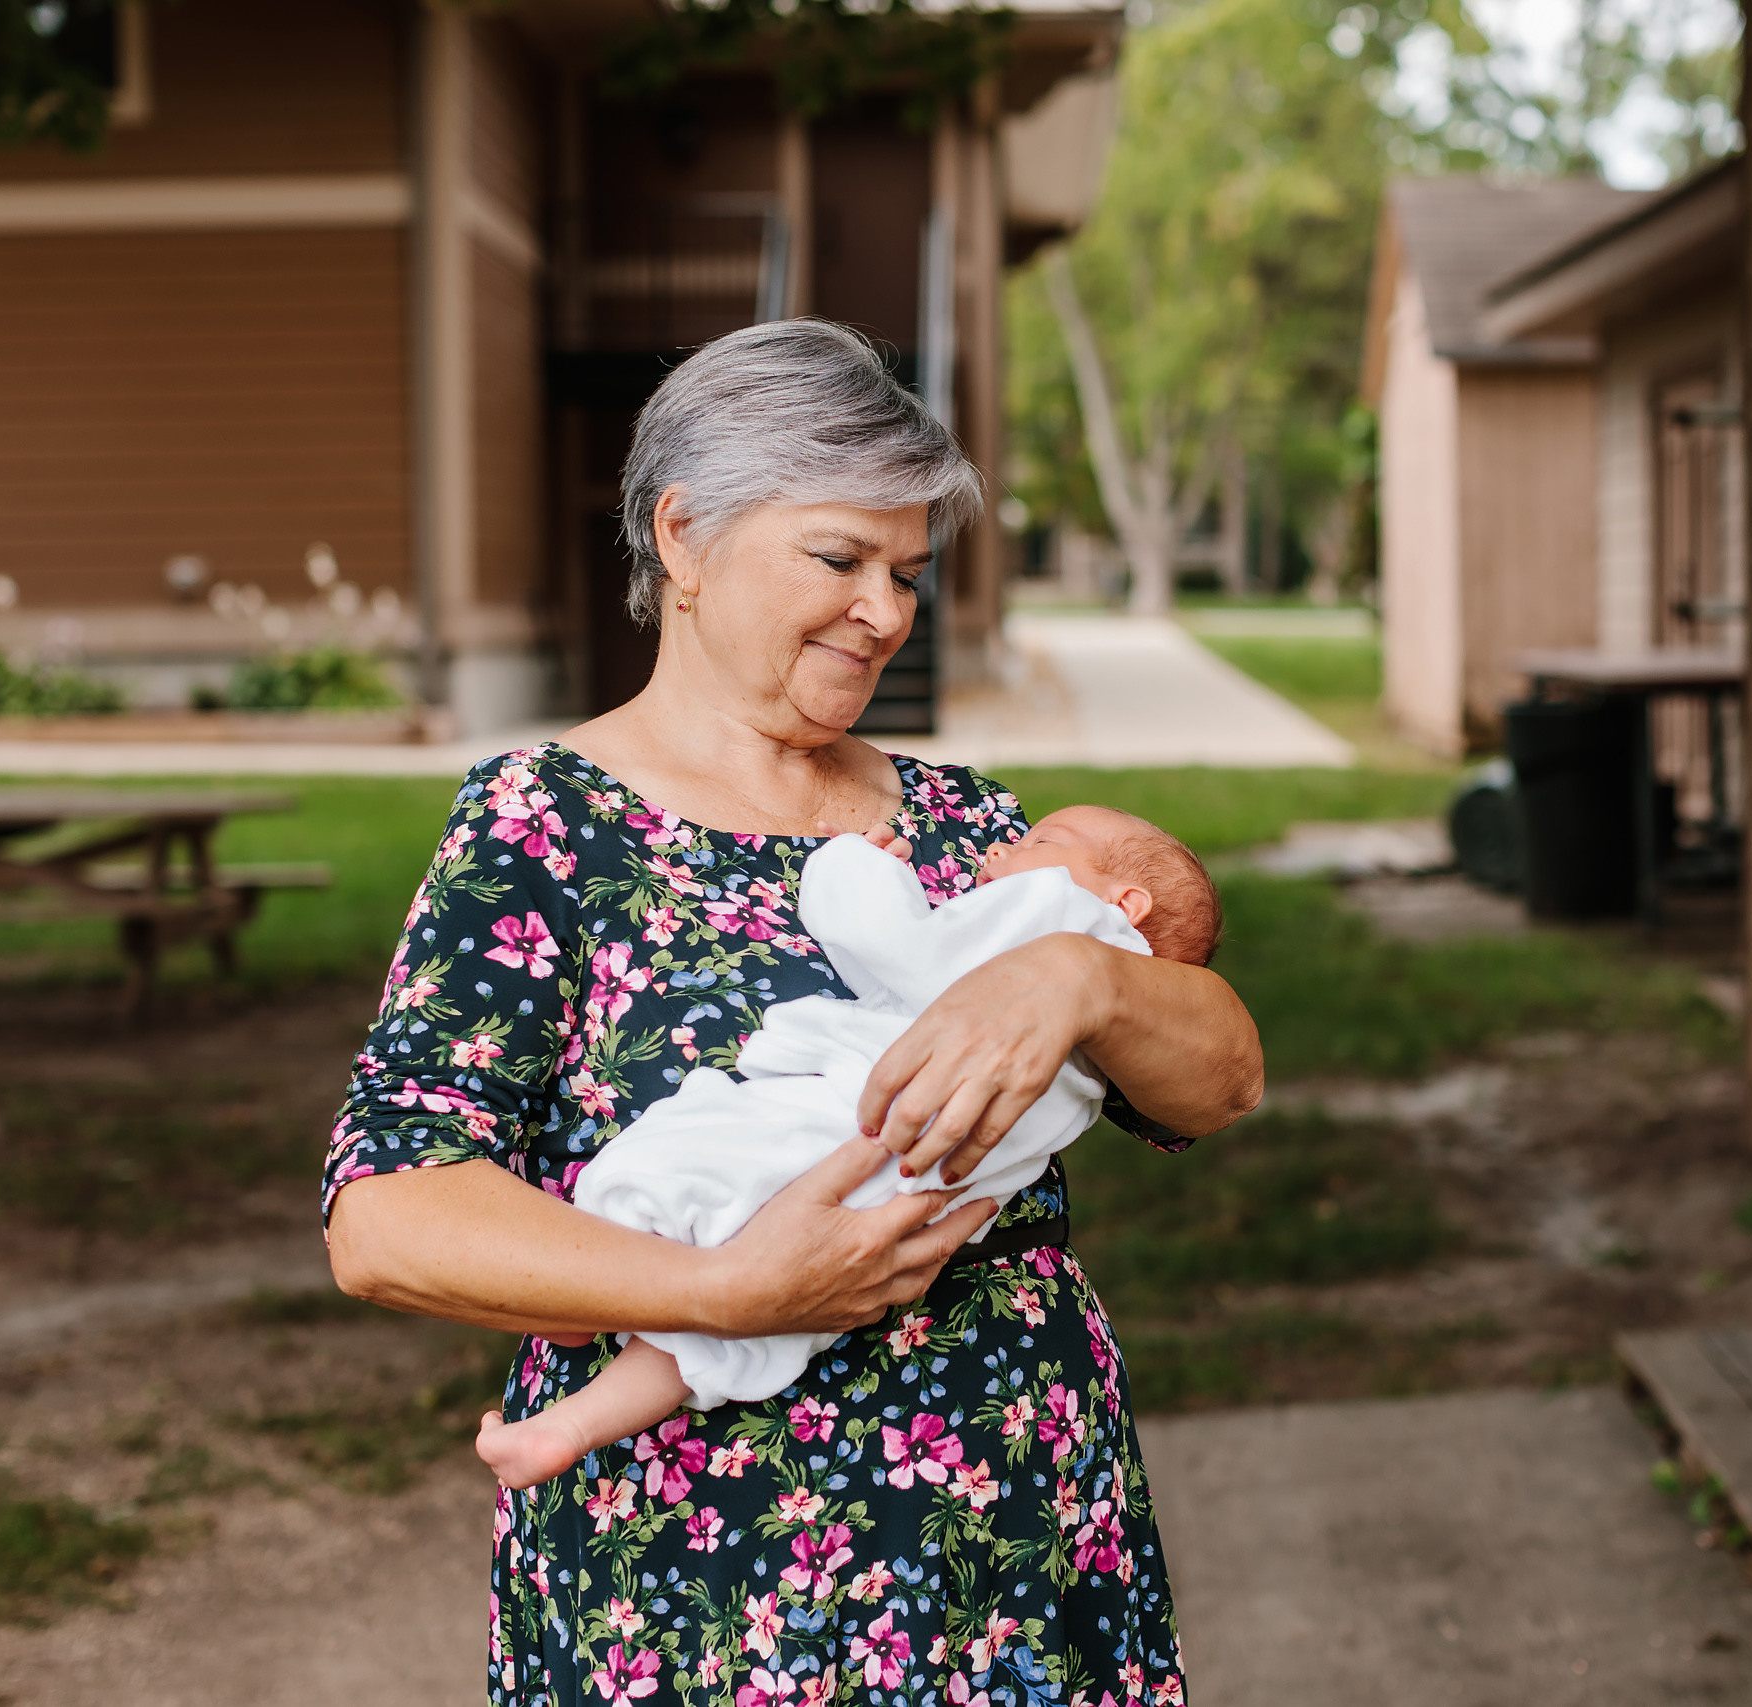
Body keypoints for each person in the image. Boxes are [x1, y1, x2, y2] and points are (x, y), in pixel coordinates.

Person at [323, 318, 1260, 1707]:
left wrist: (1089, 977)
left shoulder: (978, 832)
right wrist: (727, 1293)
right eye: (840, 558)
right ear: (684, 539)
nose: (886, 610)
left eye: (909, 573)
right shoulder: (544, 827)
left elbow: (1222, 1080)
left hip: (1011, 1539)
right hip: (697, 1583)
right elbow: (385, 1212)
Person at [472, 806, 1223, 1491]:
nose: (1007, 845)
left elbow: (907, 952)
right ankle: (564, 1427)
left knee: (680, 1159)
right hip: (905, 1211)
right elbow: (912, 990)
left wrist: (855, 867)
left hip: (851, 1123)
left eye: (1042, 842)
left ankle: (585, 1296)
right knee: (722, 1344)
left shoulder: (1068, 920)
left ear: (1125, 907)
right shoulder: (1098, 1049)